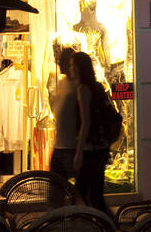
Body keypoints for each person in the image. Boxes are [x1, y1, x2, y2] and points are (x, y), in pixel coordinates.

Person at [71, 50, 113, 212]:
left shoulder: (83, 90)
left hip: (91, 149)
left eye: (72, 65)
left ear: (80, 68)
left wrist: (79, 153)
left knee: (83, 192)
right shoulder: (97, 87)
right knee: (95, 194)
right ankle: (106, 225)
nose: (71, 68)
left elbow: (86, 123)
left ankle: (106, 227)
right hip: (102, 147)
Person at [48, 46, 77, 187]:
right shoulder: (63, 82)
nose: (59, 63)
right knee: (55, 190)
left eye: (63, 61)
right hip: (60, 145)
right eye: (59, 60)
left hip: (72, 147)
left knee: (81, 193)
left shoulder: (79, 86)